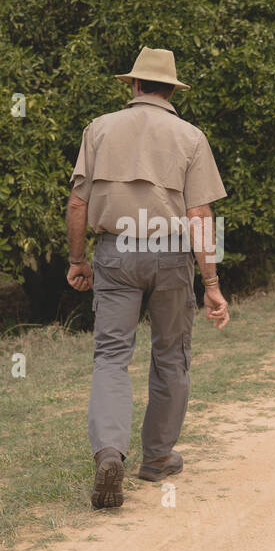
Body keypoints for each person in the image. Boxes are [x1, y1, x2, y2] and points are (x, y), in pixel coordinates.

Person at [66, 47, 229, 509]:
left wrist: (78, 260)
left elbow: (78, 203)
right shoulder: (191, 137)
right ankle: (156, 458)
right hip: (170, 252)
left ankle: (110, 453)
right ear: (172, 91)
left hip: (115, 253)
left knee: (112, 356)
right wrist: (212, 283)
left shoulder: (99, 129)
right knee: (171, 356)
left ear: (134, 86)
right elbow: (199, 214)